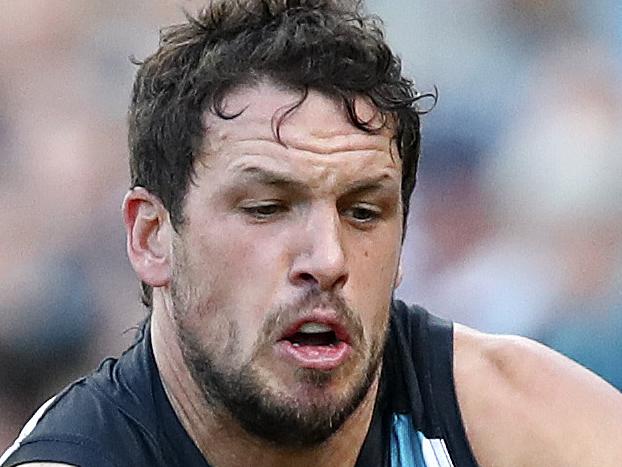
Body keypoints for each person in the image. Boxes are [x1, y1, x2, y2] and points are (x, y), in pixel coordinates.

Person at [2, 1, 622, 466]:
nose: (328, 260)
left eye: (363, 212)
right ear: (152, 236)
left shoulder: (526, 428)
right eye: (268, 207)